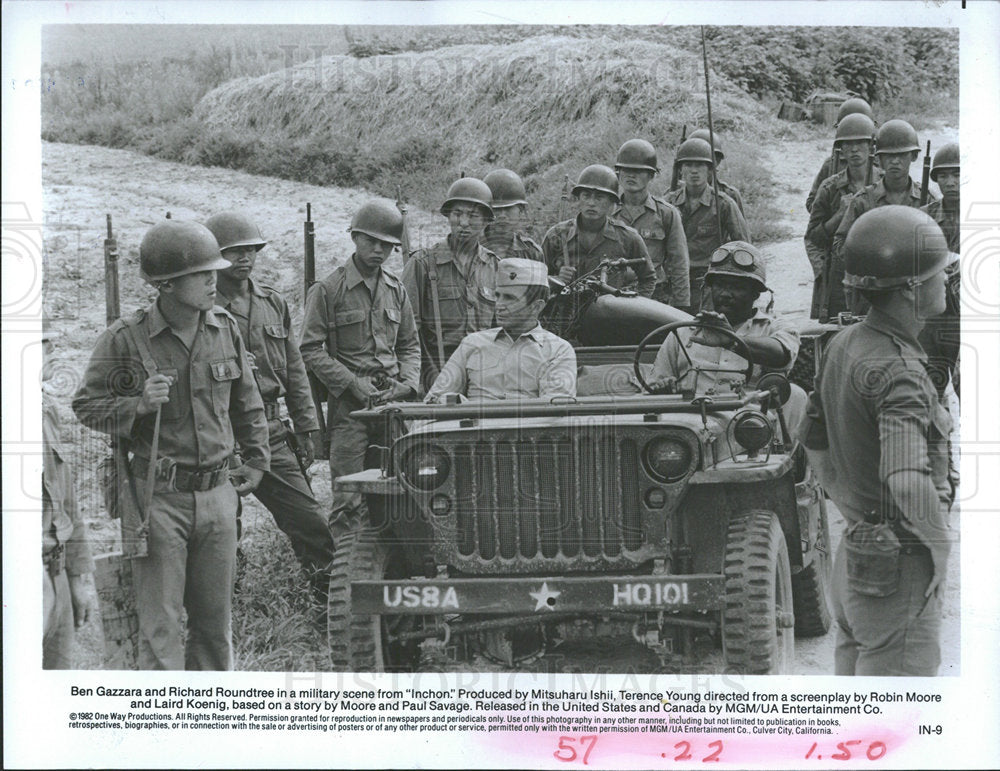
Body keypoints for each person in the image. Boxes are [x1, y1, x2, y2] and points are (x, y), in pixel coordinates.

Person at [73, 220, 270, 670]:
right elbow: (86, 406)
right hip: (158, 499)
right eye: (201, 275)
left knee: (215, 629)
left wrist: (258, 461)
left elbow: (248, 403)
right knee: (160, 631)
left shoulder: (224, 329)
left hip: (218, 496)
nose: (213, 282)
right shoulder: (125, 338)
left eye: (213, 272)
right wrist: (137, 406)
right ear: (165, 284)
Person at [807, 206, 954, 676]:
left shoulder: (844, 342)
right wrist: (940, 547)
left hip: (858, 556)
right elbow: (905, 477)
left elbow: (814, 440)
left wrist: (853, 509)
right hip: (899, 566)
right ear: (911, 289)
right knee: (899, 710)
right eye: (937, 273)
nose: (945, 280)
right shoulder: (900, 369)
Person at [205, 212, 334, 601]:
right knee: (223, 532)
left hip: (271, 431)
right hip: (220, 432)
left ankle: (328, 604)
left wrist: (308, 427)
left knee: (310, 523)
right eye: (234, 251)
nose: (245, 258)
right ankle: (230, 611)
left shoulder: (272, 302)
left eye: (251, 250)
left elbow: (295, 369)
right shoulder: (202, 308)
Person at [300, 200, 421, 540]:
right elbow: (309, 348)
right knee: (348, 498)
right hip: (350, 410)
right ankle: (346, 565)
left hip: (392, 407)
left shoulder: (396, 290)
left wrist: (407, 385)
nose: (379, 250)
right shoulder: (328, 290)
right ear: (354, 237)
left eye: (387, 245)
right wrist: (352, 383)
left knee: (404, 489)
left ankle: (392, 562)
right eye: (371, 241)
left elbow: (410, 345)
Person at [648, 241, 805, 430]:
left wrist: (732, 341)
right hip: (691, 426)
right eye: (719, 285)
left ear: (756, 293)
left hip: (751, 429)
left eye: (737, 287)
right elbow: (654, 386)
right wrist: (665, 389)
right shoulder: (683, 333)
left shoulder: (776, 327)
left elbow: (781, 355)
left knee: (796, 394)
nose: (725, 294)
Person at [425, 258, 576, 402]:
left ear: (536, 306)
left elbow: (555, 407)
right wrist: (456, 402)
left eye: (509, 298)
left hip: (529, 421)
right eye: (497, 296)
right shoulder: (472, 343)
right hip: (472, 420)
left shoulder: (557, 350)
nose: (499, 305)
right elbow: (436, 397)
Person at [402, 177, 500, 390]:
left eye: (472, 216)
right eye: (457, 214)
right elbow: (408, 332)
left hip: (484, 375)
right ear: (448, 216)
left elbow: (501, 328)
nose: (463, 222)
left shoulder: (495, 266)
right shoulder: (422, 264)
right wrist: (426, 377)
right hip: (436, 373)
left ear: (486, 221)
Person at [832, 119, 932, 315]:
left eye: (901, 155)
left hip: (913, 295)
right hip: (871, 296)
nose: (895, 161)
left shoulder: (926, 199)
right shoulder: (863, 201)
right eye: (889, 156)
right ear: (879, 159)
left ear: (913, 156)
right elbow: (840, 244)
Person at [42, 326, 95, 669]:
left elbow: (67, 502)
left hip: (55, 571)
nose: (52, 349)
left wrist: (76, 578)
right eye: (42, 342)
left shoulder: (45, 408)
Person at [805, 112, 880, 320]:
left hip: (881, 268)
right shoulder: (829, 187)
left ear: (871, 146)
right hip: (841, 271)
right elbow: (813, 237)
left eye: (860, 143)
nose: (854, 149)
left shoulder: (884, 183)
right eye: (848, 144)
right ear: (841, 150)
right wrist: (839, 215)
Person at [541, 164, 657, 298]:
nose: (591, 203)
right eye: (586, 196)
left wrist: (632, 305)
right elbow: (535, 280)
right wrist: (554, 280)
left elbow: (648, 279)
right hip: (566, 309)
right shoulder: (556, 236)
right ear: (578, 199)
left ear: (611, 202)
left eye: (599, 197)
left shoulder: (627, 237)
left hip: (610, 310)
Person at [664, 138, 751, 312]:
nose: (694, 171)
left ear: (710, 170)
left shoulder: (723, 204)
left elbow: (744, 246)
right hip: (675, 283)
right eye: (688, 165)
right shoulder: (668, 203)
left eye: (700, 165)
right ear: (680, 170)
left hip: (708, 284)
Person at [611, 139, 690, 307]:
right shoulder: (607, 211)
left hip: (654, 296)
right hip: (612, 294)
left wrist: (682, 306)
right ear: (618, 173)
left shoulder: (666, 213)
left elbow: (679, 263)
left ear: (651, 176)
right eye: (626, 170)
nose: (631, 175)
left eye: (638, 171)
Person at [919, 143, 961, 400]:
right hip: (933, 317)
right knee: (927, 392)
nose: (950, 182)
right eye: (943, 176)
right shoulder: (924, 217)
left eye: (957, 174)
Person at [805, 96, 875, 213]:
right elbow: (812, 204)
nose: (854, 148)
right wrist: (835, 207)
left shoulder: (881, 163)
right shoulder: (831, 164)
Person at [482, 169, 544, 261]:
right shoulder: (470, 248)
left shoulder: (532, 253)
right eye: (496, 209)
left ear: (520, 210)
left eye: (508, 208)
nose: (502, 215)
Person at [687, 129, 746, 217]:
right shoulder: (674, 195)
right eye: (690, 163)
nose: (695, 169)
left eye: (701, 163)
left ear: (717, 161)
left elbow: (738, 225)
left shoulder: (730, 195)